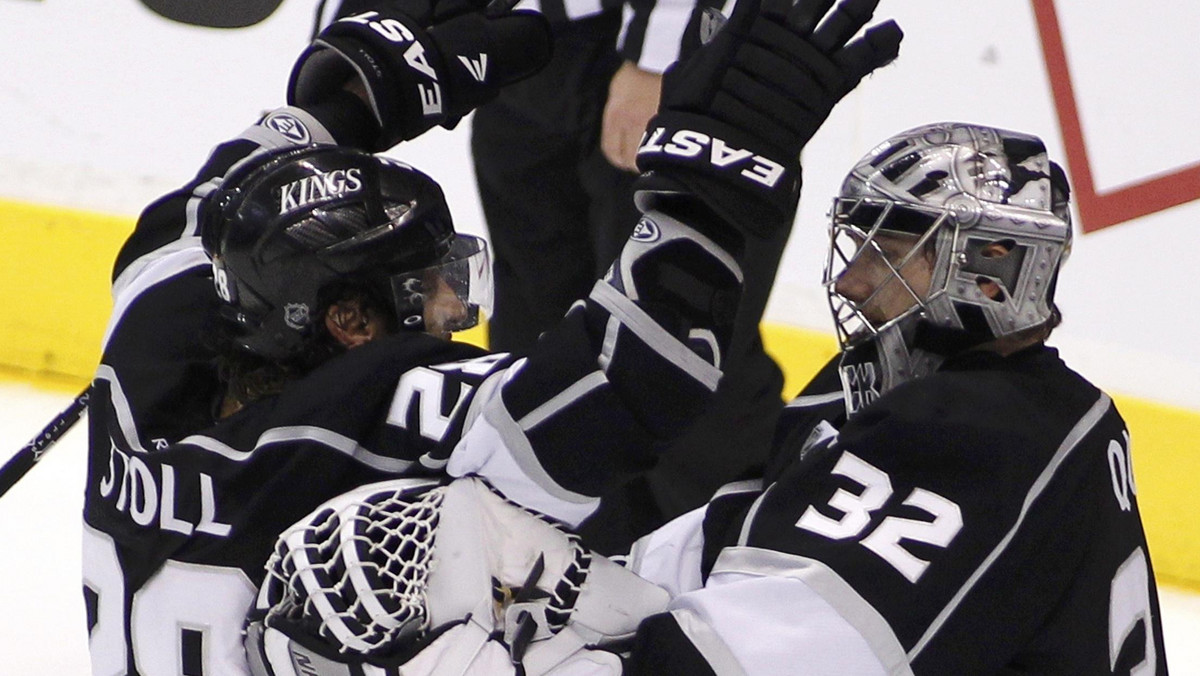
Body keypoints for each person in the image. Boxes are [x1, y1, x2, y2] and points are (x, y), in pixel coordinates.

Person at [248, 55, 1169, 676]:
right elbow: (739, 536)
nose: (852, 275)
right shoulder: (956, 409)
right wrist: (565, 571)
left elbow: (751, 657)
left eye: (897, 252)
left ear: (990, 271)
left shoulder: (987, 445)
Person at [82, 0, 901, 673]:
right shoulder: (378, 421)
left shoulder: (152, 340)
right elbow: (632, 377)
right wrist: (707, 190)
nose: (449, 300)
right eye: (422, 284)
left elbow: (213, 197)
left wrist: (341, 108)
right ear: (350, 321)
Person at [313, 0, 790, 560]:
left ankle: (753, 563)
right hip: (529, 49)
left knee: (687, 347)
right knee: (538, 346)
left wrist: (661, 56)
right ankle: (575, 571)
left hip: (661, 54)